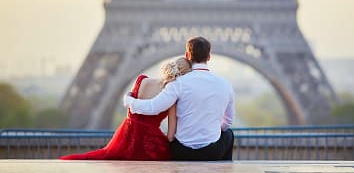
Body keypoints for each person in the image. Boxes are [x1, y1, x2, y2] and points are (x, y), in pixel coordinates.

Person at [124, 36, 235, 161]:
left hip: (183, 152)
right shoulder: (226, 84)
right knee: (229, 134)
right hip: (212, 151)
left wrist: (129, 101)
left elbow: (153, 107)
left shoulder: (178, 83)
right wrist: (212, 130)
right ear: (209, 57)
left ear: (187, 55)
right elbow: (228, 121)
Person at [59, 57, 192, 160]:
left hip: (125, 137)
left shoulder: (142, 80)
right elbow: (170, 136)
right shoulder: (172, 97)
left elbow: (131, 105)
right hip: (149, 145)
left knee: (104, 156)